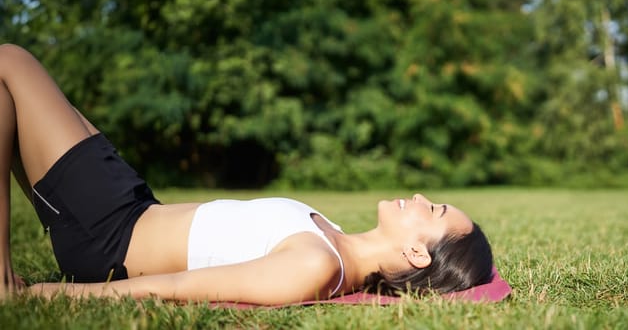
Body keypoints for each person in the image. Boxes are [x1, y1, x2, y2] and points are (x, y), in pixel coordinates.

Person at [0, 44, 494, 304]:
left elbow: (177, 288)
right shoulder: (334, 240)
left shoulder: (317, 267)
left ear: (415, 252)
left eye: (435, 211)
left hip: (110, 234)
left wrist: (55, 292)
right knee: (10, 97)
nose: (422, 195)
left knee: (11, 61)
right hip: (131, 206)